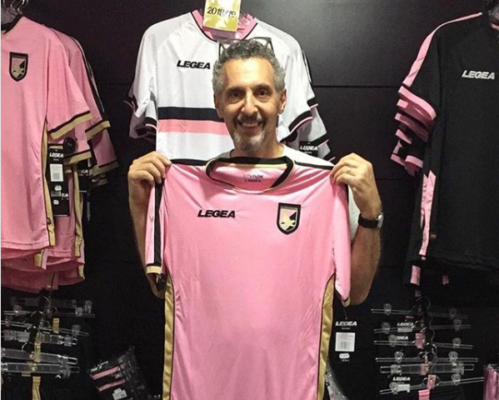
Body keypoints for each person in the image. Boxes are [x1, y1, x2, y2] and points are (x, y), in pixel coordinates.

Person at [128, 39, 382, 305]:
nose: (249, 108)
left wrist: (371, 213)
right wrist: (140, 204)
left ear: (282, 100)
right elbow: (162, 287)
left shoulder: (325, 183)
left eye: (262, 93)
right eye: (235, 94)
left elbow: (356, 293)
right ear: (218, 104)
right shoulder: (192, 188)